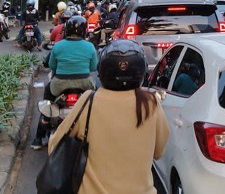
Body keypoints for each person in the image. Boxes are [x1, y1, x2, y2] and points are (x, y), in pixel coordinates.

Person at [47, 40, 169, 193]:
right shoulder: (151, 103)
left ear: (102, 71)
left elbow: (55, 146)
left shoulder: (89, 101)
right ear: (141, 72)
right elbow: (159, 152)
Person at [32, 15, 99, 150]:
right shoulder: (90, 46)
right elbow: (93, 67)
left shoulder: (58, 46)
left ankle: (39, 136)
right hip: (85, 84)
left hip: (59, 85)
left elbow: (52, 65)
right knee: (96, 99)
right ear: (84, 30)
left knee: (48, 99)